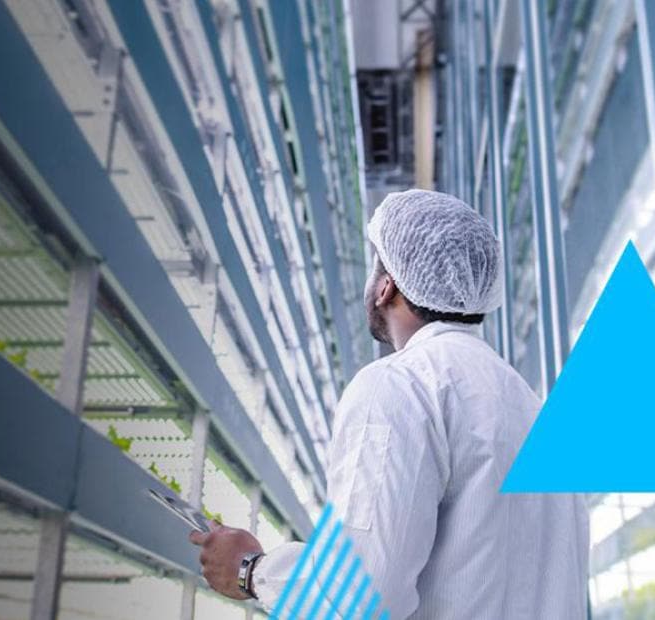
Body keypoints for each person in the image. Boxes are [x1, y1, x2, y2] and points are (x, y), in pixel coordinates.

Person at [189, 190, 588, 619]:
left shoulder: (399, 385)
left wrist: (250, 571)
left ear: (386, 286)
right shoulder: (530, 406)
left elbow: (361, 595)